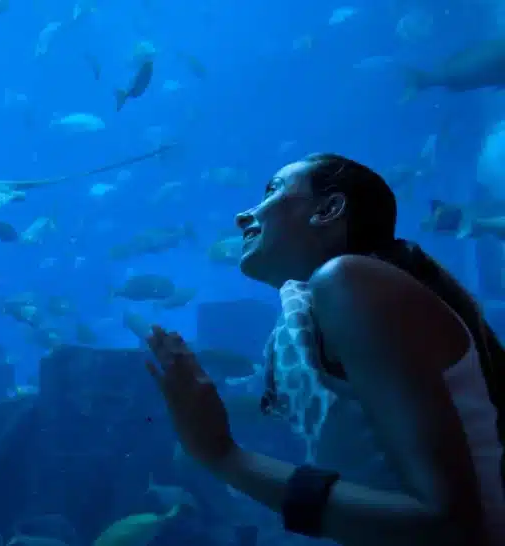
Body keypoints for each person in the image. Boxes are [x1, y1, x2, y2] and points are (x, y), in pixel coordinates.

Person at [145, 153, 505, 546]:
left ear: (329, 209)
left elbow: (446, 522)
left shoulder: (349, 281)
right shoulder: (337, 298)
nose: (243, 216)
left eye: (273, 190)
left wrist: (221, 454)